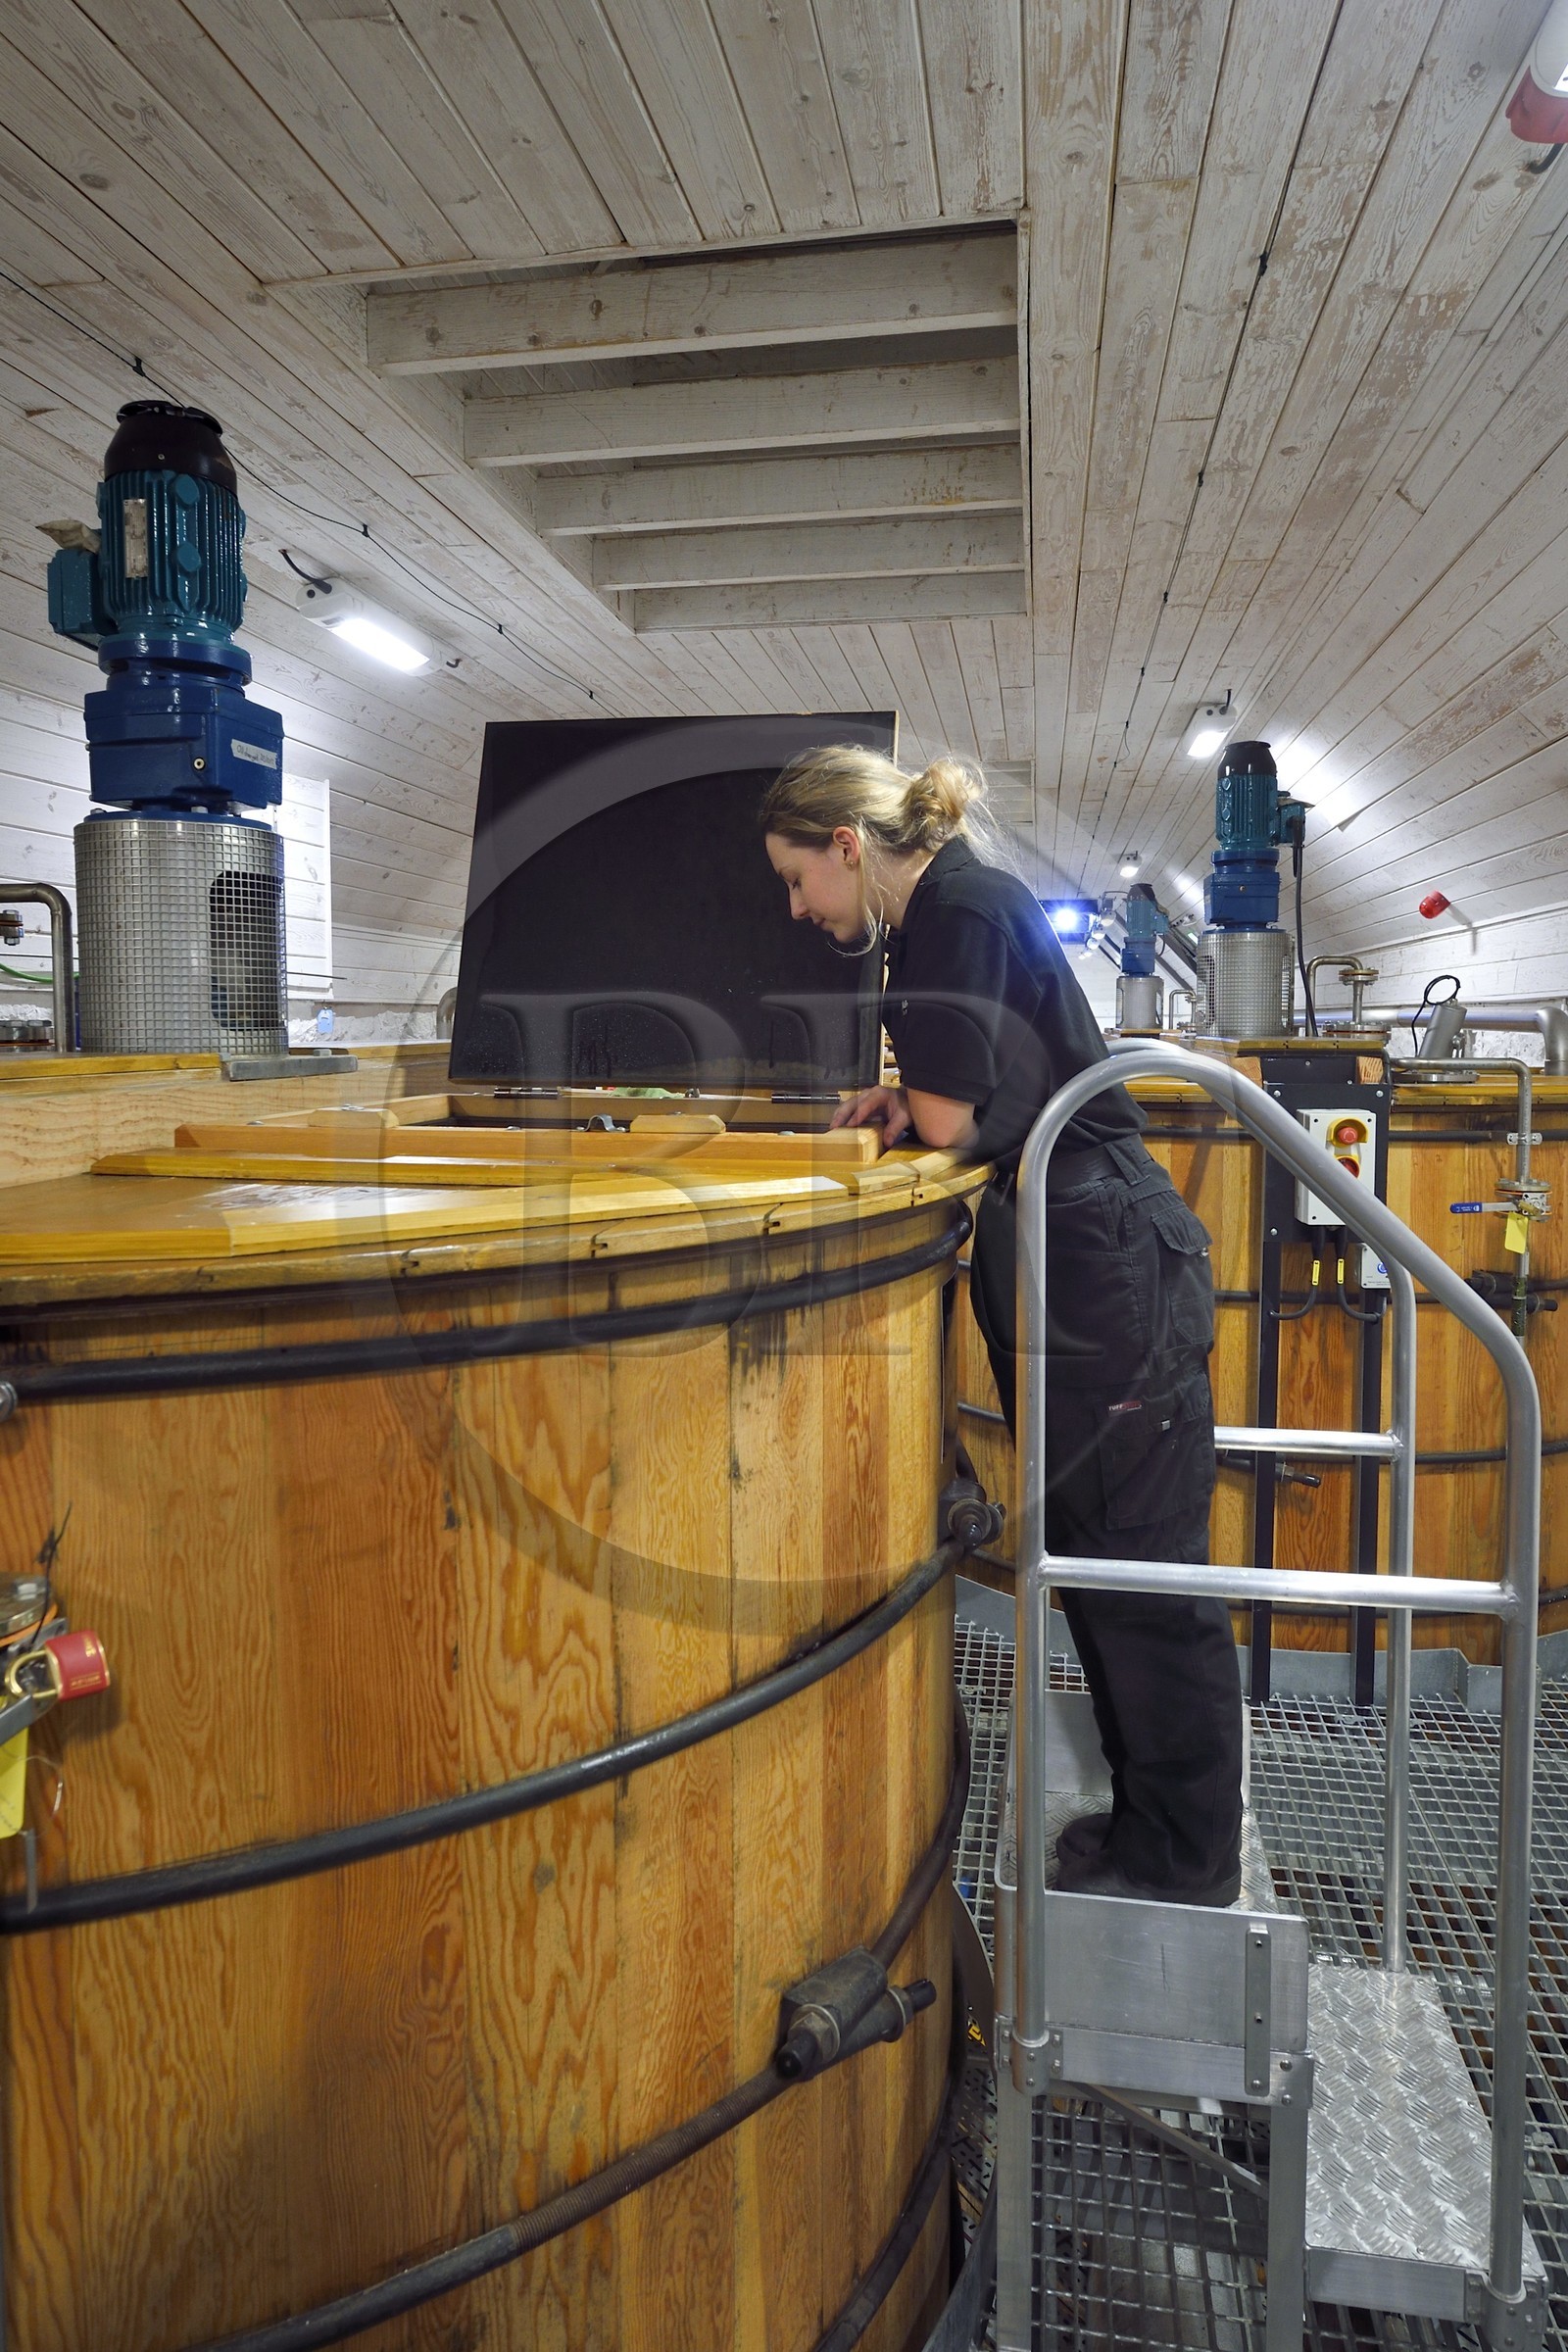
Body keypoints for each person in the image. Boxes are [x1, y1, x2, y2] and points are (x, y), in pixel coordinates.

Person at [760, 745, 1243, 1906]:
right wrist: (913, 1101)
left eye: (797, 879)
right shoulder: (945, 909)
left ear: (846, 844)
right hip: (1083, 1249)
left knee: (1140, 1568)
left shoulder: (956, 907)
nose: (796, 908)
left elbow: (953, 1111)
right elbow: (968, 1102)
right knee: (1099, 1556)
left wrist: (913, 1104)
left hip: (1104, 1254)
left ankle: (1186, 1863)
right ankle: (1149, 1834)